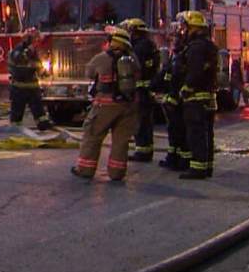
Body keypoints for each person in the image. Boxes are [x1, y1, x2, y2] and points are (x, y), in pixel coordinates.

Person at [71, 26, 140, 182]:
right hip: (129, 106)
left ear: (112, 42)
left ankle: (85, 169)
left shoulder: (102, 58)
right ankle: (117, 173)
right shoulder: (133, 59)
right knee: (121, 141)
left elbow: (89, 73)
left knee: (92, 135)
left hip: (105, 106)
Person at [179, 10, 218, 180]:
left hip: (195, 97)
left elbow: (194, 71)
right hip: (207, 96)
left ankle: (197, 168)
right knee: (207, 133)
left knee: (196, 133)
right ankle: (206, 166)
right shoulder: (209, 46)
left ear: (193, 28)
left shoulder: (195, 48)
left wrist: (186, 87)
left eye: (186, 27)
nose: (184, 31)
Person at [153, 16, 190, 171]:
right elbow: (165, 74)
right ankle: (174, 158)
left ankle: (182, 161)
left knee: (180, 132)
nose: (172, 43)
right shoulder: (175, 57)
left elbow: (176, 78)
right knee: (174, 132)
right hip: (172, 101)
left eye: (174, 40)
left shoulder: (183, 56)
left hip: (179, 101)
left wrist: (173, 97)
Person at [124, 17, 160, 161]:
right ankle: (145, 150)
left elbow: (134, 69)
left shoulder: (138, 48)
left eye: (130, 31)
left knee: (141, 123)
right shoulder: (149, 45)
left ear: (135, 32)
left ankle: (143, 152)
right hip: (146, 91)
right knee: (145, 122)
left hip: (140, 91)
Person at [6, 27, 53, 130]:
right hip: (19, 89)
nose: (37, 43)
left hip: (33, 88)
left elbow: (38, 67)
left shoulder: (34, 53)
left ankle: (43, 125)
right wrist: (29, 50)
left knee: (39, 112)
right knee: (17, 114)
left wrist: (45, 74)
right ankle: (16, 131)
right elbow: (19, 59)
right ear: (28, 40)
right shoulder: (17, 50)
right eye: (35, 41)